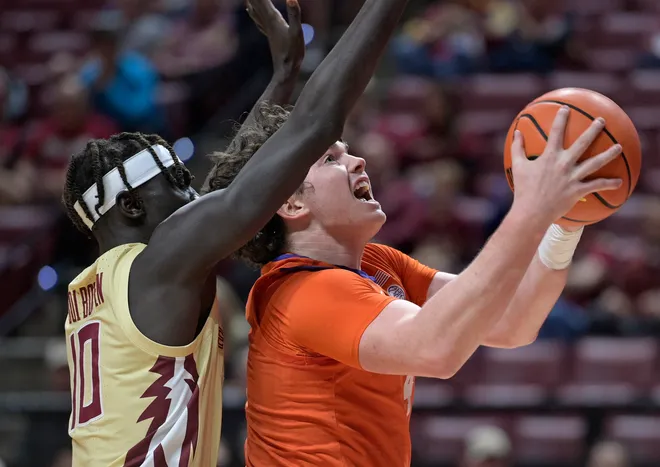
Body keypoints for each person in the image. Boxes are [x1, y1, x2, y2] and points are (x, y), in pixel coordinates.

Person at [207, 104, 623, 464]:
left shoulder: (377, 263)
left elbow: (512, 321)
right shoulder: (301, 291)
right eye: (331, 160)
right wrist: (532, 208)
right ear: (291, 203)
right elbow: (435, 349)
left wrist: (565, 224)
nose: (357, 161)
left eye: (348, 151)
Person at [61, 1, 306, 464]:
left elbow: (220, 192)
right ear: (132, 206)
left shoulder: (91, 286)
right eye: (176, 183)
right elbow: (232, 195)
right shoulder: (154, 268)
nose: (193, 192)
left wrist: (282, 75)